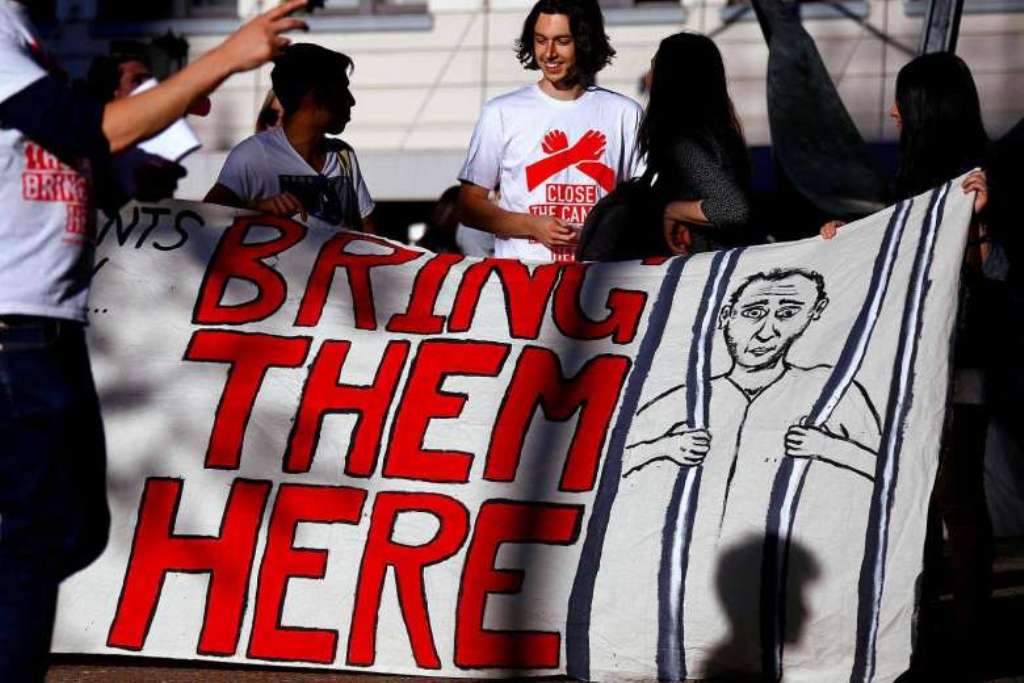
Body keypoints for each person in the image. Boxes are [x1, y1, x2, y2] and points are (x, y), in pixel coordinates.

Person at [0, 1, 308, 679]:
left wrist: (143, 154)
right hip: (15, 331)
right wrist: (224, 59)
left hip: (48, 327)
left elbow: (69, 157)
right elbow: (89, 128)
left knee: (74, 530)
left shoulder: (25, 31)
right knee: (30, 543)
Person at [818, 52, 992, 678]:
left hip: (959, 362)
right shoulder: (929, 181)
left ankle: (964, 637)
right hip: (930, 363)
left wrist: (983, 221)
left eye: (903, 101)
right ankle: (939, 631)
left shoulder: (984, 183)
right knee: (939, 498)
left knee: (951, 497)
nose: (893, 111)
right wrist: (853, 235)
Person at [624, 268, 880, 675]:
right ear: (726, 314)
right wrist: (666, 447)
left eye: (787, 313)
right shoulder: (690, 397)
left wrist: (829, 448)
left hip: (796, 587)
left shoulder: (831, 391)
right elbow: (608, 467)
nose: (766, 331)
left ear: (814, 315)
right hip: (697, 588)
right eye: (754, 312)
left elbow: (893, 473)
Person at [457, 0, 644, 262]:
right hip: (524, 285)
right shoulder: (501, 112)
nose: (549, 53)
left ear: (584, 42)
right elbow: (468, 205)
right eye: (541, 40)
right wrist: (532, 225)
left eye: (562, 41)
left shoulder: (625, 114)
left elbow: (645, 205)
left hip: (597, 284)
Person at [204, 43, 375, 234]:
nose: (351, 100)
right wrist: (256, 209)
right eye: (343, 89)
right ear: (313, 96)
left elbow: (369, 235)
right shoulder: (252, 155)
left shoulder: (344, 155)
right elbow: (203, 222)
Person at [642, 32, 752, 256]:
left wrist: (672, 211)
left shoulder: (683, 143)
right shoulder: (721, 135)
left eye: (655, 66)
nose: (648, 76)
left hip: (703, 270)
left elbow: (732, 208)